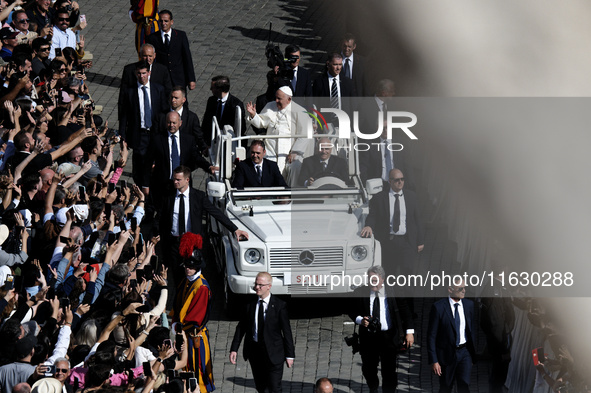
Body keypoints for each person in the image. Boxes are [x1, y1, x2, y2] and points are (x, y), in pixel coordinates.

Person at [159, 166, 248, 286]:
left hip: (192, 243)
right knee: (177, 278)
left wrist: (234, 229)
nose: (175, 182)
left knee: (193, 277)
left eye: (178, 180)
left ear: (187, 180)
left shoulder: (198, 196)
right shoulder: (168, 197)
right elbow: (162, 219)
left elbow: (216, 213)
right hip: (174, 243)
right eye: (174, 179)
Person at [348, 266, 414, 393]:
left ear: (383, 279)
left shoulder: (394, 291)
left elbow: (406, 310)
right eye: (370, 280)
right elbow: (351, 309)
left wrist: (409, 332)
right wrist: (360, 320)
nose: (372, 283)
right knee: (368, 368)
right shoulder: (360, 292)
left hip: (388, 337)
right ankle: (373, 388)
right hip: (368, 338)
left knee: (389, 370)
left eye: (375, 280)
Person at [229, 272, 295, 393]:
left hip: (274, 353)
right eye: (256, 284)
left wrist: (290, 355)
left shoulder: (280, 306)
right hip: (255, 353)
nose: (257, 287)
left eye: (260, 285)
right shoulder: (250, 305)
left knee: (275, 388)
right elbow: (241, 328)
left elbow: (287, 332)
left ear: (269, 286)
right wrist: (234, 349)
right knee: (261, 388)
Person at [170, 232, 215, 392]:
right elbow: (177, 304)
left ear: (197, 266)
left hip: (194, 336)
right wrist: (175, 323)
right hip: (182, 333)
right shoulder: (185, 281)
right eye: (186, 266)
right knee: (186, 371)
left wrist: (179, 329)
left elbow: (195, 318)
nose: (187, 269)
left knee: (197, 370)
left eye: (190, 266)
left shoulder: (202, 287)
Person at [245, 86, 313, 187]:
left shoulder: (299, 111)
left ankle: (290, 191)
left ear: (289, 99)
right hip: (270, 146)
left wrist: (294, 151)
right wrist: (254, 115)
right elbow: (261, 123)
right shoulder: (270, 106)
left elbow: (305, 134)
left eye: (279, 99)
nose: (276, 101)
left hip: (290, 150)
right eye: (276, 97)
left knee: (294, 166)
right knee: (264, 164)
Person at [361, 168, 424, 276]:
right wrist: (368, 226)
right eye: (397, 180)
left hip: (407, 242)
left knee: (408, 274)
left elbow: (417, 220)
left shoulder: (411, 197)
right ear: (390, 181)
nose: (400, 182)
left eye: (402, 179)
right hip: (388, 242)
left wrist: (420, 241)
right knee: (389, 274)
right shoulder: (380, 198)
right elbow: (373, 216)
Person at [144, 111, 212, 205]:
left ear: (180, 123)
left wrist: (209, 167)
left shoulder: (188, 140)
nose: (171, 125)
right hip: (163, 184)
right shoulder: (157, 139)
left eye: (174, 123)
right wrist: (145, 185)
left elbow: (197, 157)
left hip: (183, 184)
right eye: (169, 122)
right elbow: (147, 162)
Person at [118, 60, 168, 187]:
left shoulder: (158, 89)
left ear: (149, 73)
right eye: (139, 73)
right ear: (136, 73)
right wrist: (122, 136)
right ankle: (140, 185)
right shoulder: (130, 92)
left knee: (156, 160)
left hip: (155, 132)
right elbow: (124, 116)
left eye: (144, 73)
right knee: (140, 161)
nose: (142, 76)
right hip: (139, 133)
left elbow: (163, 112)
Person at [427, 279, 476, 393]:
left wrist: (472, 354)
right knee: (446, 387)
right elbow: (431, 336)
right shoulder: (438, 308)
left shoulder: (469, 305)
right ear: (450, 290)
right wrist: (434, 360)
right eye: (460, 289)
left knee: (464, 386)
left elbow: (470, 330)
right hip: (447, 354)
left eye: (465, 288)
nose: (464, 291)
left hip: (464, 353)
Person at [480, 269, 515, 393]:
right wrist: (503, 347)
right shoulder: (495, 291)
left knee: (497, 374)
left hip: (498, 337)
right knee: (498, 375)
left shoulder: (493, 288)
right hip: (500, 339)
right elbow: (495, 321)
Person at [146, 10, 196, 90]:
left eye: (166, 21)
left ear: (171, 22)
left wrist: (191, 79)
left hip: (179, 78)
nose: (163, 23)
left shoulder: (180, 36)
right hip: (162, 79)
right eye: (161, 21)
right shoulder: (152, 38)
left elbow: (187, 57)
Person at [201, 75, 246, 147]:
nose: (210, 89)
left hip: (229, 144)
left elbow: (241, 127)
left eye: (213, 87)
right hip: (213, 142)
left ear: (220, 89)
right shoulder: (211, 101)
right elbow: (206, 122)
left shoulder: (236, 105)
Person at [157, 86, 205, 152]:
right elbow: (155, 136)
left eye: (176, 98)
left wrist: (204, 148)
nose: (173, 100)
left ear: (183, 100)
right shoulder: (161, 116)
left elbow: (198, 136)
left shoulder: (191, 117)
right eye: (171, 97)